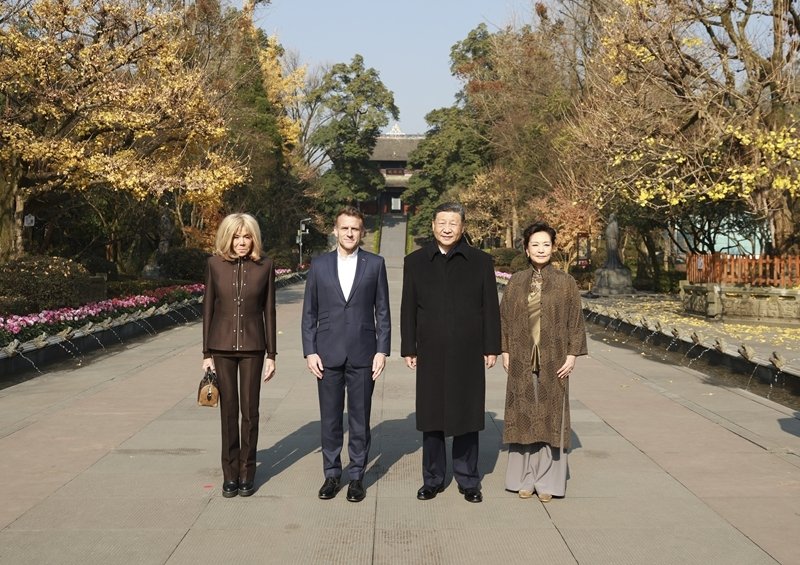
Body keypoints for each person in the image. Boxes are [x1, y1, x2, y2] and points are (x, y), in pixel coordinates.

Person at [400, 202, 501, 503]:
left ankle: (468, 479)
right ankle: (432, 479)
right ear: (433, 225)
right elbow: (408, 307)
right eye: (442, 222)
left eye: (453, 223)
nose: (447, 228)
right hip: (430, 350)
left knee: (467, 414)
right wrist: (408, 346)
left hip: (468, 350)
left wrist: (491, 346)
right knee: (431, 416)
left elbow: (490, 307)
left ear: (462, 227)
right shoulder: (415, 262)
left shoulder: (480, 261)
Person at [301, 207, 391, 503]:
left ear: (362, 232)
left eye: (355, 228)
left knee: (360, 418)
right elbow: (309, 312)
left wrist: (382, 350)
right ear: (335, 230)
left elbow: (382, 311)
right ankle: (331, 474)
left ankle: (356, 477)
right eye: (345, 228)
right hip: (326, 353)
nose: (350, 233)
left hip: (364, 352)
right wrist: (310, 351)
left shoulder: (375, 264)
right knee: (330, 419)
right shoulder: (319, 265)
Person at [499, 221, 587, 502]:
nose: (540, 249)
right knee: (523, 414)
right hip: (521, 356)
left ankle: (548, 480)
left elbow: (575, 320)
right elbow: (504, 318)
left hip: (555, 357)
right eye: (535, 244)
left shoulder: (565, 282)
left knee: (551, 415)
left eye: (546, 244)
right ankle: (524, 478)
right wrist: (505, 350)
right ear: (526, 249)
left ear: (553, 248)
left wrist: (572, 354)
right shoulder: (516, 281)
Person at [202, 213, 277, 498]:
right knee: (228, 412)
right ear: (227, 238)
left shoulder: (265, 265)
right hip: (220, 346)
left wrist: (272, 354)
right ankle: (229, 473)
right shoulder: (214, 264)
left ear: (254, 238)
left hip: (253, 347)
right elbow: (208, 308)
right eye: (236, 237)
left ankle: (247, 472)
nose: (241, 242)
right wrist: (206, 353)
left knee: (250, 412)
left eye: (246, 236)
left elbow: (269, 309)